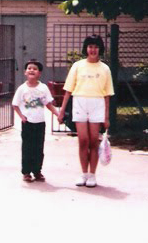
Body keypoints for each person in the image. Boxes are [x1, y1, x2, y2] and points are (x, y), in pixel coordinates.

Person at [57, 34, 114, 188]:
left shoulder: (105, 69)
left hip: (97, 105)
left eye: (95, 46)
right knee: (83, 141)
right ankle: (83, 174)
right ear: (86, 48)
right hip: (80, 103)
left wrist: (106, 117)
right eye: (90, 46)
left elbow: (107, 95)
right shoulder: (77, 66)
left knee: (94, 142)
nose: (92, 50)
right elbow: (68, 90)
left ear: (100, 49)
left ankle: (92, 175)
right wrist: (62, 111)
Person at [12, 60, 59, 183]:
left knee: (38, 148)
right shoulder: (22, 89)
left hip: (40, 123)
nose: (32, 70)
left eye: (35, 69)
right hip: (27, 124)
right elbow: (15, 105)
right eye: (29, 68)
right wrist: (22, 117)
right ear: (25, 72)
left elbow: (48, 104)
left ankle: (37, 171)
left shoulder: (43, 88)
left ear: (39, 73)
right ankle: (26, 172)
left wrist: (58, 114)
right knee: (27, 148)